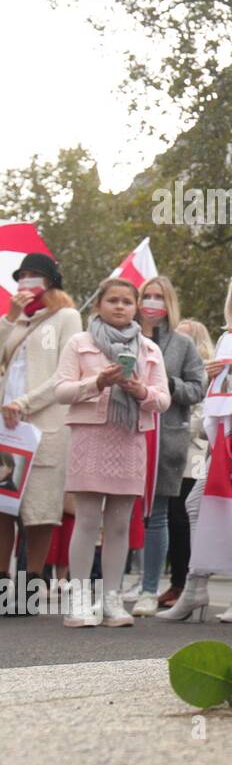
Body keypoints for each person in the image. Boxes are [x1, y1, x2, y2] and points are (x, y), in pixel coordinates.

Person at [159, 271, 232, 622]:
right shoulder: (229, 336)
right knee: (197, 504)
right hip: (224, 437)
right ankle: (195, 588)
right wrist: (216, 375)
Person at [54, 277, 170, 627]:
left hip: (130, 438)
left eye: (126, 301)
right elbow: (60, 391)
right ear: (99, 305)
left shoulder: (149, 349)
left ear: (136, 308)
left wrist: (139, 391)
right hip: (90, 435)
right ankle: (77, 600)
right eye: (112, 300)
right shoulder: (80, 342)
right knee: (87, 520)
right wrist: (97, 383)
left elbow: (163, 399)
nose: (120, 307)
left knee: (120, 524)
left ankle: (112, 599)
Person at [0, 253, 81, 612]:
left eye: (34, 275)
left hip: (43, 425)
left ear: (50, 281)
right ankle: (3, 589)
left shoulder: (66, 317)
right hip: (7, 426)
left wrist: (26, 402)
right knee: (3, 508)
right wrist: (10, 318)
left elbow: (65, 373)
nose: (26, 281)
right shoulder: (16, 321)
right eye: (22, 276)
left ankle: (32, 588)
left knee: (40, 511)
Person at [130, 276, 206, 616]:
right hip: (125, 432)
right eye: (147, 295)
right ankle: (114, 589)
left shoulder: (183, 345)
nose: (152, 302)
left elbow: (196, 389)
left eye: (159, 296)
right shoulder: (124, 337)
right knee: (123, 513)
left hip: (166, 438)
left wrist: (165, 384)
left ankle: (149, 589)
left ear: (170, 302)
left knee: (158, 514)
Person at [157, 317, 212, 608]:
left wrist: (179, 428)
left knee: (184, 517)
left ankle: (186, 581)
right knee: (172, 516)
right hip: (175, 449)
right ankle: (178, 580)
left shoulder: (204, 370)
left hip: (195, 452)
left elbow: (202, 411)